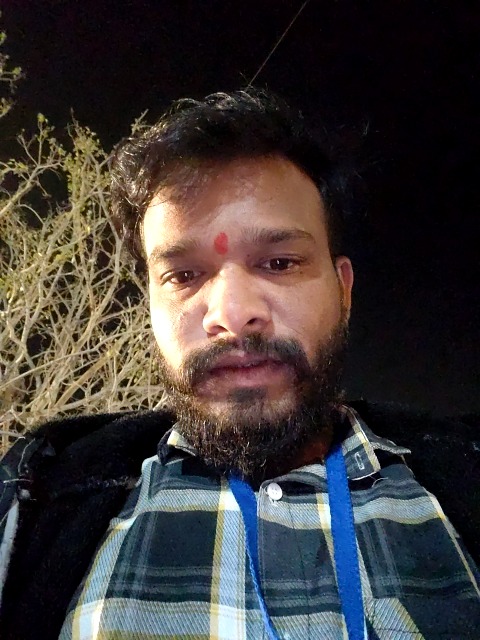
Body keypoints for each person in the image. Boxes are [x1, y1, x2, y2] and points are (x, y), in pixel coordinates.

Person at [0, 88, 479, 640]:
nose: (231, 314)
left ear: (344, 290)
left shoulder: (463, 471)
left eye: (279, 262)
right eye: (183, 275)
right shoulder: (35, 498)